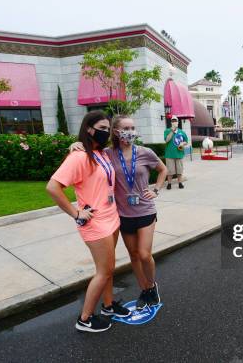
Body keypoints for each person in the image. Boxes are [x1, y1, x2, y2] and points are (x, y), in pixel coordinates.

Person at [70, 115, 169, 310]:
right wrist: (76, 145)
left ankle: (152, 286)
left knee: (143, 254)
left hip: (145, 211)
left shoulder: (145, 152)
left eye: (133, 127)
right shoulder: (107, 153)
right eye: (126, 128)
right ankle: (144, 291)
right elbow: (89, 154)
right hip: (122, 214)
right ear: (115, 131)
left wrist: (156, 189)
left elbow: (163, 169)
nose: (130, 132)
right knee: (133, 255)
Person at [46, 110, 131, 333]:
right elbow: (53, 187)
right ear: (88, 129)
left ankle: (109, 306)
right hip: (96, 223)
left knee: (109, 270)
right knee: (104, 271)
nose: (105, 133)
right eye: (101, 129)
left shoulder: (99, 153)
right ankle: (84, 319)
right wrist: (75, 213)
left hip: (111, 217)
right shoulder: (79, 156)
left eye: (108, 129)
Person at [163, 116, 188, 189]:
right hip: (169, 154)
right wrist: (172, 131)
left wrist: (182, 144)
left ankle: (180, 183)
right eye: (173, 121)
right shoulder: (167, 131)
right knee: (170, 171)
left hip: (179, 153)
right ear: (171, 122)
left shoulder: (182, 132)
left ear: (178, 122)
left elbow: (186, 141)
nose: (174, 122)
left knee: (179, 170)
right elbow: (167, 140)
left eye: (176, 121)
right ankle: (169, 184)